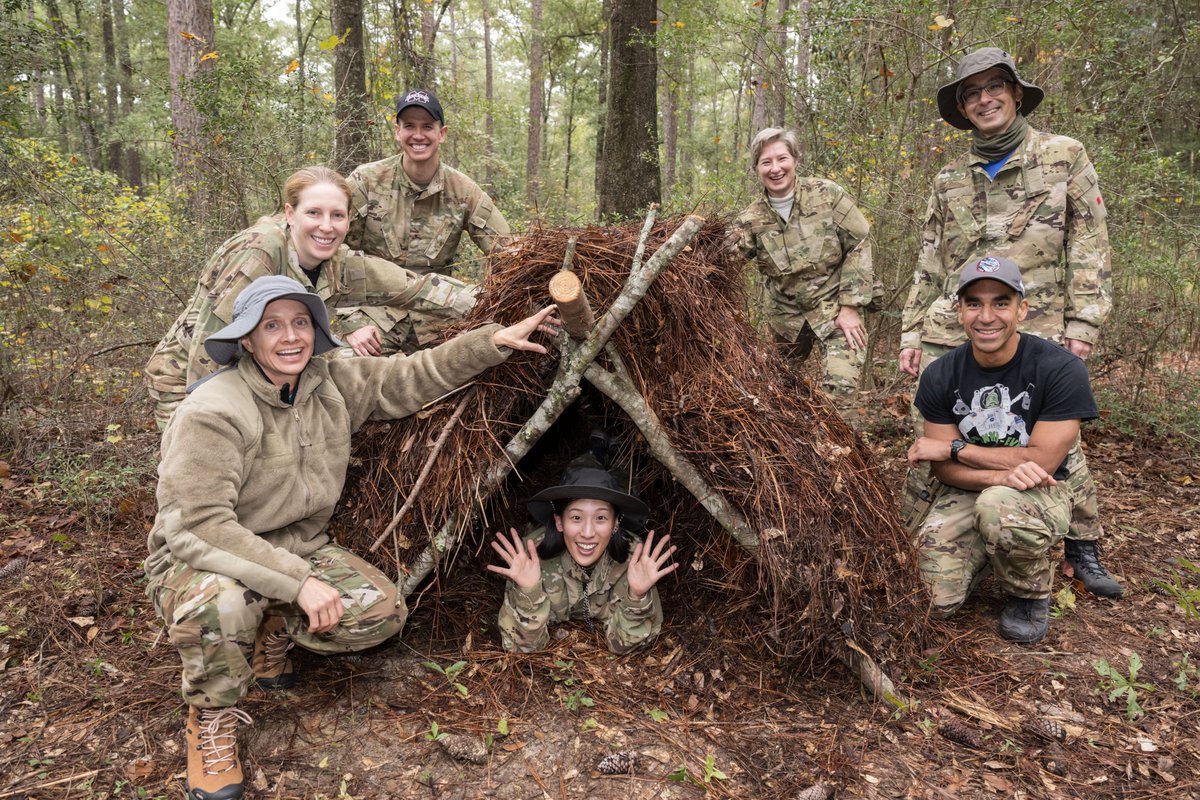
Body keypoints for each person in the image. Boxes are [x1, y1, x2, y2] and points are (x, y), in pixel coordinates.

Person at [144, 274, 557, 799]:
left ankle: (270, 630)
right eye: (272, 325)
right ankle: (210, 719)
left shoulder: (331, 383)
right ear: (246, 339)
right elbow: (201, 524)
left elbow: (414, 375)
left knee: (379, 613)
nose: (290, 336)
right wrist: (298, 583)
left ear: (316, 331)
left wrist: (491, 342)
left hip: (296, 546)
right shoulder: (214, 409)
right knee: (224, 605)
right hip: (203, 558)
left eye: (300, 322)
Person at [897, 47, 1120, 597]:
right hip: (955, 324)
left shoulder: (1063, 156)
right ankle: (920, 535)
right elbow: (930, 258)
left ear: (1017, 92)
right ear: (962, 107)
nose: (984, 99)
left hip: (1037, 319)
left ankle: (1078, 542)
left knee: (1054, 435)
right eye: (970, 93)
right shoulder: (950, 178)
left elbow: (1090, 244)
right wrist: (909, 330)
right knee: (934, 431)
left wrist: (1083, 323)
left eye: (994, 86)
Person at [144, 165, 475, 430]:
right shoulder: (260, 254)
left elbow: (416, 288)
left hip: (265, 376)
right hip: (188, 384)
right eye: (314, 213)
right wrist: (203, 423)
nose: (327, 227)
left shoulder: (337, 264)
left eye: (337, 216)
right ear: (291, 214)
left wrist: (494, 300)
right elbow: (209, 349)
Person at [908, 256, 1100, 644]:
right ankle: (985, 554)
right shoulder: (940, 374)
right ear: (959, 311)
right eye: (974, 303)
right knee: (928, 602)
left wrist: (956, 447)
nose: (986, 316)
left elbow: (1041, 463)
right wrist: (996, 473)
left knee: (999, 505)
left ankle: (1028, 593)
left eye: (1001, 302)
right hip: (966, 490)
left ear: (1022, 310)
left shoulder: (1060, 369)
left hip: (1039, 491)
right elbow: (943, 471)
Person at [734, 127, 875, 419]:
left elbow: (859, 241)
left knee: (839, 390)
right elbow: (722, 260)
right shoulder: (750, 219)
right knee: (776, 395)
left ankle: (842, 458)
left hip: (835, 312)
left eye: (781, 158)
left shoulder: (827, 195)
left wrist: (850, 306)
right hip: (786, 321)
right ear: (756, 169)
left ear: (795, 159)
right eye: (766, 162)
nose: (775, 169)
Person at [490, 449, 677, 654]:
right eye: (576, 518)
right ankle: (593, 452)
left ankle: (610, 452)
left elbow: (626, 646)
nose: (588, 533)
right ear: (559, 522)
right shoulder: (529, 558)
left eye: (601, 518)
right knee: (583, 462)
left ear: (616, 524)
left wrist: (637, 596)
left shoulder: (635, 560)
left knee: (625, 474)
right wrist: (528, 592)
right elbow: (520, 647)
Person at [345, 88, 510, 279]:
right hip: (371, 301)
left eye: (427, 127)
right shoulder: (366, 180)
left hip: (436, 303)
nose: (418, 135)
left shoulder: (464, 191)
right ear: (397, 132)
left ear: (442, 133)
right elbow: (332, 247)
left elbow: (508, 252)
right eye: (409, 126)